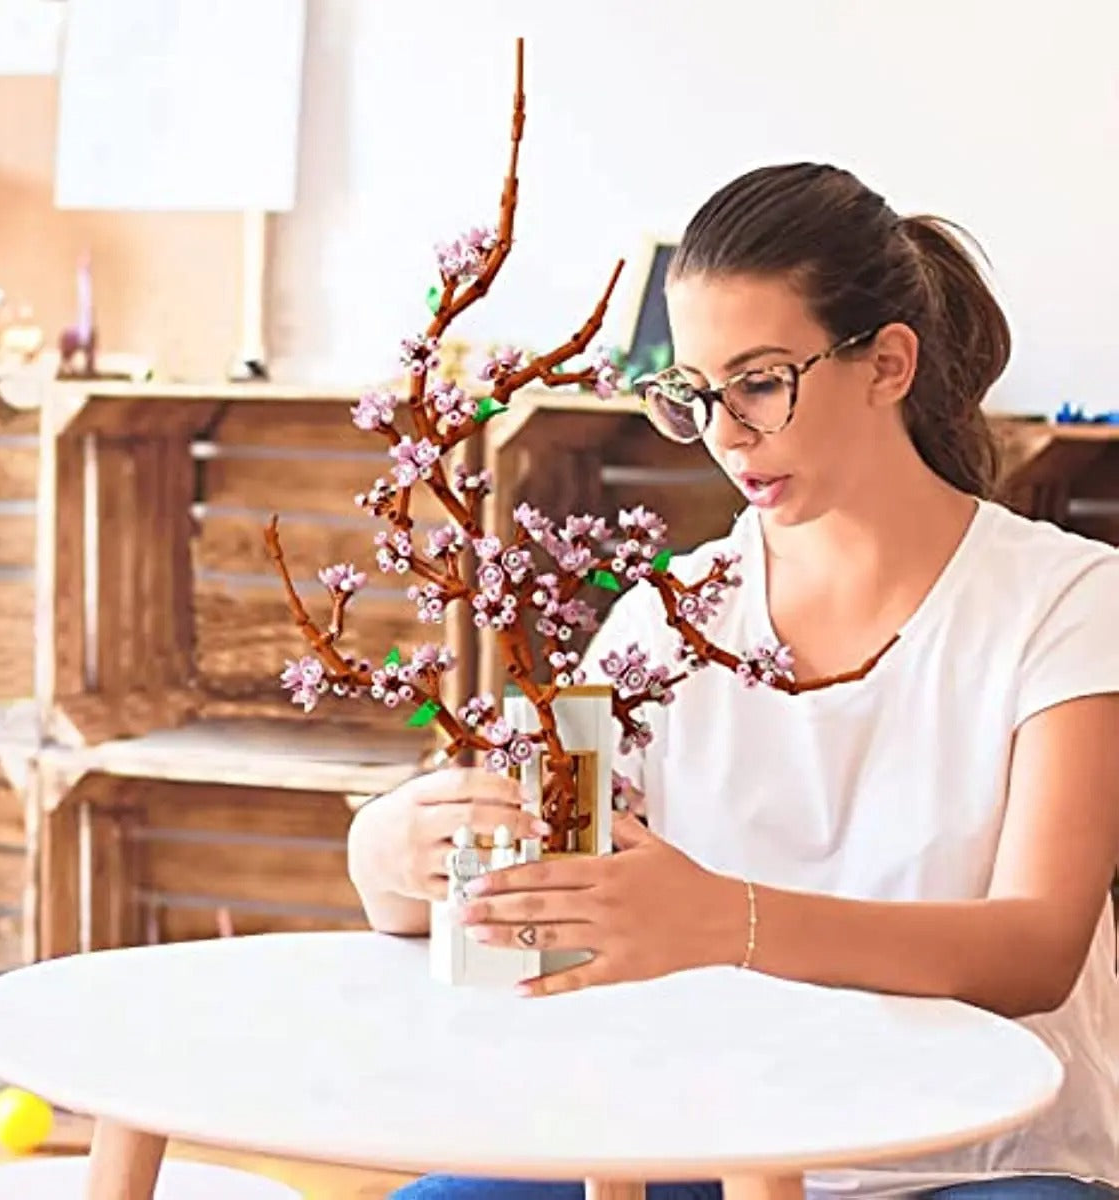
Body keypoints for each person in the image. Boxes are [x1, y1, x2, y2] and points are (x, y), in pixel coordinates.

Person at [346, 162, 1119, 1200]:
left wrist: (724, 920)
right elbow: (555, 907)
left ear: (888, 363)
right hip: (695, 1139)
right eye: (693, 395)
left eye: (759, 382)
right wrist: (390, 860)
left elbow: (1035, 950)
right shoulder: (665, 620)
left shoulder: (1067, 601)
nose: (726, 434)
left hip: (980, 1160)